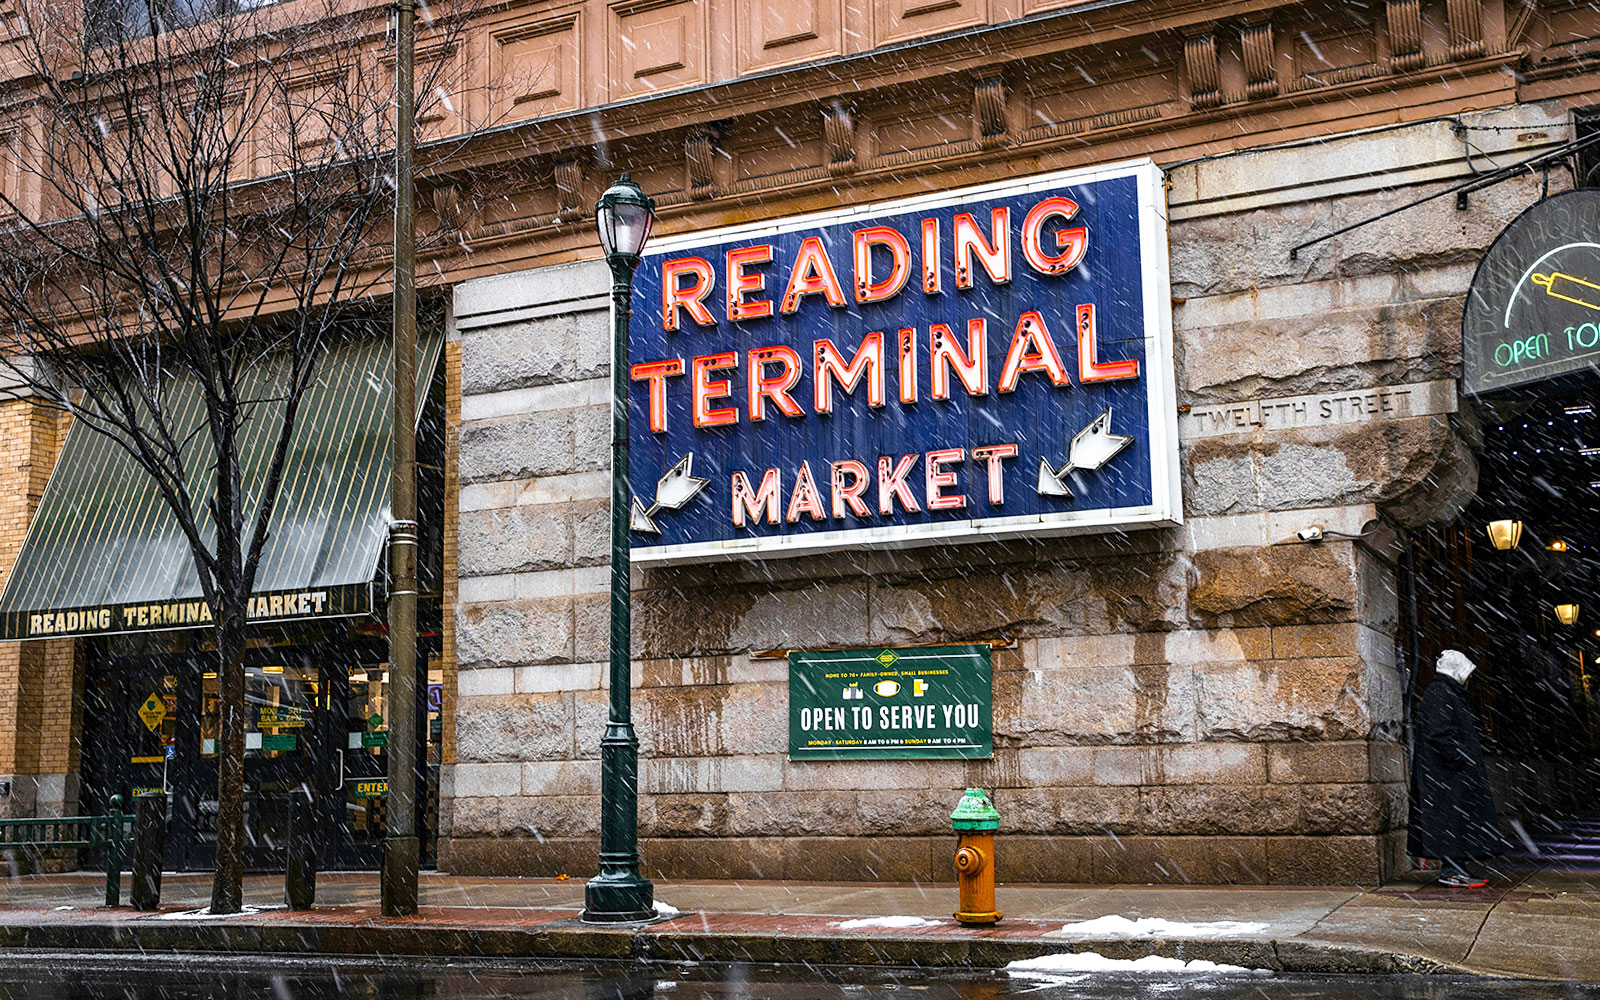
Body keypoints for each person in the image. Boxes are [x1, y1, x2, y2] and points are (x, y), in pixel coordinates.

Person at [1409, 649, 1504, 887]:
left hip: (1448, 774)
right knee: (1451, 822)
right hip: (1446, 775)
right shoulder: (1441, 693)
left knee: (1455, 822)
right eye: (1468, 673)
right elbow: (1441, 734)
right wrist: (1461, 758)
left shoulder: (1445, 693)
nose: (1470, 679)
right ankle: (1452, 871)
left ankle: (1456, 868)